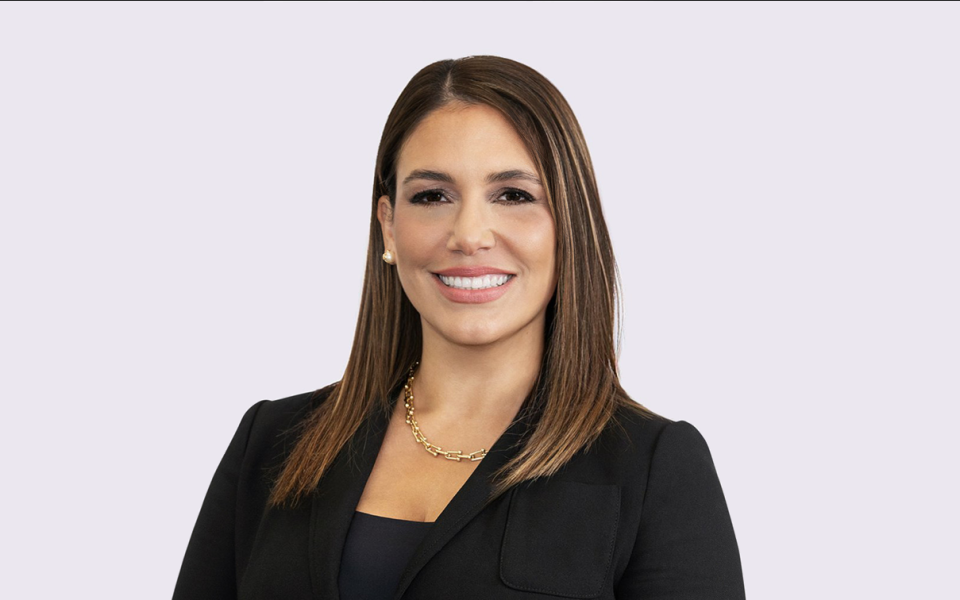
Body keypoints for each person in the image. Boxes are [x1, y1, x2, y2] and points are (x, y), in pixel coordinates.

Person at [172, 55, 745, 600]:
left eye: (514, 195)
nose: (469, 234)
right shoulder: (271, 444)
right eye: (432, 196)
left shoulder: (655, 468)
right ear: (389, 226)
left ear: (570, 224)